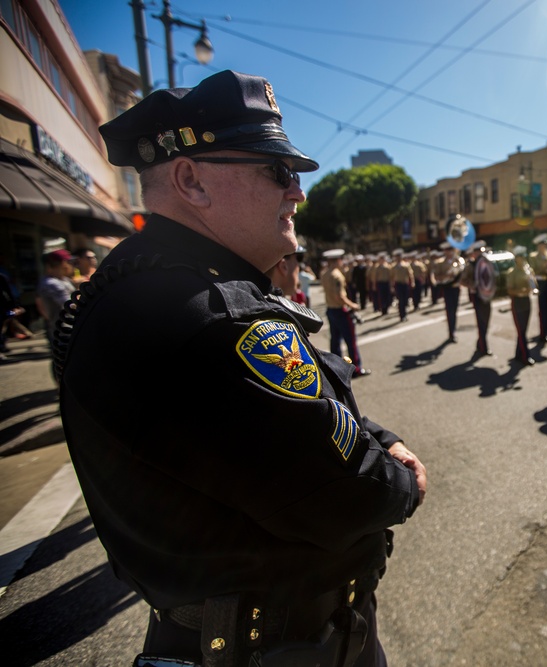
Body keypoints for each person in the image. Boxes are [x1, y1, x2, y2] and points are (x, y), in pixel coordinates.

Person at [56, 70, 425, 667]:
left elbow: (307, 404)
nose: (297, 192)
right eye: (276, 171)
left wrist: (382, 437)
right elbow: (347, 495)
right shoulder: (205, 316)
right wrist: (404, 480)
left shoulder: (155, 284)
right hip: (280, 647)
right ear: (190, 180)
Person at [321, 248, 371, 378]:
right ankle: (356, 368)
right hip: (340, 310)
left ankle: (336, 368)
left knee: (335, 341)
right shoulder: (337, 275)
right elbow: (340, 296)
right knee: (350, 341)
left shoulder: (324, 274)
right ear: (337, 260)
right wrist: (353, 305)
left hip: (330, 309)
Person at [35, 248, 76, 345]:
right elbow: (70, 304)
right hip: (64, 330)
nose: (72, 265)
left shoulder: (64, 280)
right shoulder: (51, 283)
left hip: (71, 327)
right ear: (63, 263)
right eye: (69, 262)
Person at [460, 243, 492, 357]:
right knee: (481, 322)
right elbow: (462, 280)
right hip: (477, 296)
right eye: (477, 251)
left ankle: (480, 344)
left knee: (486, 320)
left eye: (481, 251)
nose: (480, 253)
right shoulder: (471, 265)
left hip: (486, 294)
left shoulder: (487, 262)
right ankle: (483, 347)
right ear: (473, 253)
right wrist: (473, 285)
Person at [505, 245, 536, 365]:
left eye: (524, 256)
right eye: (520, 257)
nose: (522, 259)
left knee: (524, 329)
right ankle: (525, 355)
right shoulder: (512, 272)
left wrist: (531, 283)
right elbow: (510, 290)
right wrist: (523, 290)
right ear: (516, 258)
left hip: (526, 301)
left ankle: (518, 353)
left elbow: (534, 285)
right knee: (521, 330)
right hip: (517, 302)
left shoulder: (528, 269)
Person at [528, 233, 547, 344]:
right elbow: (532, 271)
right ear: (538, 245)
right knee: (543, 309)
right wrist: (545, 266)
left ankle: (546, 331)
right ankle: (543, 333)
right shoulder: (533, 256)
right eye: (542, 244)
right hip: (540, 282)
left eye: (545, 244)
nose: (544, 246)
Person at [438, 242, 464, 342]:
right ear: (445, 251)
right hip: (447, 288)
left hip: (456, 288)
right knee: (450, 311)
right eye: (448, 250)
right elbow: (436, 277)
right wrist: (447, 276)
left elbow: (463, 273)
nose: (450, 252)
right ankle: (451, 332)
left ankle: (453, 330)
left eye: (451, 250)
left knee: (455, 310)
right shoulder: (441, 262)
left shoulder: (458, 260)